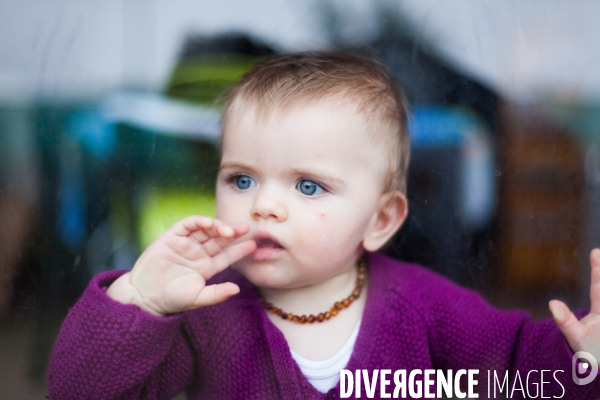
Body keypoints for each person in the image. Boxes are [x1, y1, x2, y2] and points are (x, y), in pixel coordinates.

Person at [48, 52, 600, 399]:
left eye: (307, 186)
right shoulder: (206, 314)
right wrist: (141, 300)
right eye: (241, 180)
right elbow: (76, 389)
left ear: (380, 220)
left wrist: (584, 359)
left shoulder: (425, 309)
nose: (263, 206)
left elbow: (517, 372)